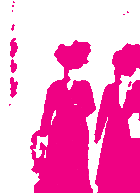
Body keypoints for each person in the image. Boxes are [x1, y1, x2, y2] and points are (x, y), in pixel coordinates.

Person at [94, 43, 140, 193]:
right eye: (117, 67)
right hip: (112, 135)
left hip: (133, 134)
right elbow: (102, 113)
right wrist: (97, 134)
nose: (117, 70)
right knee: (111, 176)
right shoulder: (109, 89)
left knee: (134, 174)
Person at [31, 39, 95, 193]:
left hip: (78, 130)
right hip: (58, 131)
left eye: (76, 65)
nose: (72, 69)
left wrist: (75, 109)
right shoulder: (54, 87)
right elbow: (47, 113)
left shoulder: (84, 86)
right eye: (69, 66)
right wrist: (43, 133)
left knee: (77, 163)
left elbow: (91, 107)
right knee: (58, 164)